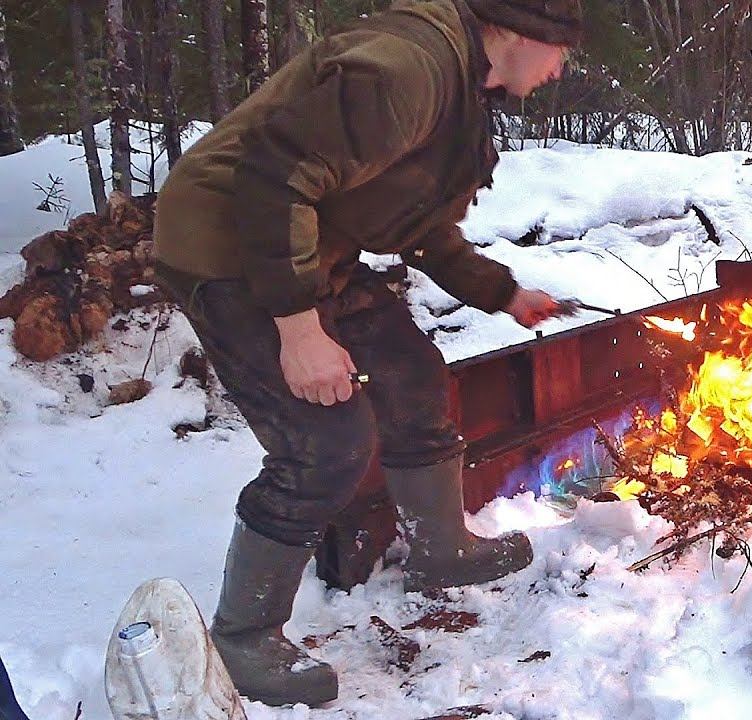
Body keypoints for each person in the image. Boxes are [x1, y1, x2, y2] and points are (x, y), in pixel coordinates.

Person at [151, 0, 582, 707]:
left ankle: (440, 549)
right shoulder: (405, 70)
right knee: (324, 440)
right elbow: (273, 179)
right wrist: (297, 328)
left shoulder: (458, 83)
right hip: (233, 245)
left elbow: (412, 218)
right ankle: (244, 636)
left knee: (413, 375)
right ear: (519, 31)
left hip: (311, 243)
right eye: (562, 49)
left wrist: (501, 292)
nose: (562, 68)